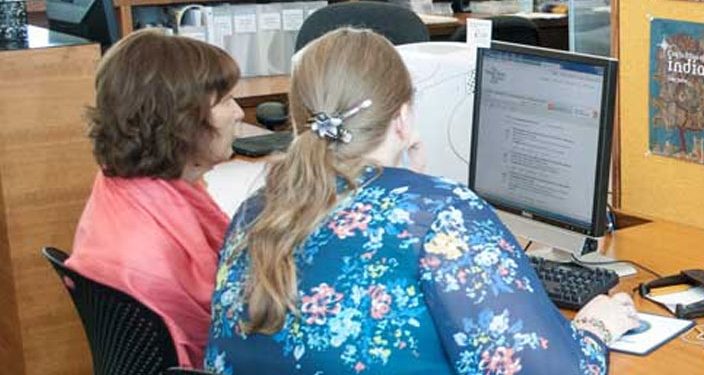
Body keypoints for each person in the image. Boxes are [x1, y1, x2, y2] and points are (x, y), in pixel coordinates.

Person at [205, 28, 639, 374]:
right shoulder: (439, 215)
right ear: (404, 117)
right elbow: (545, 369)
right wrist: (595, 328)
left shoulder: (256, 213)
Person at [66, 29, 244, 368]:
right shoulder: (151, 256)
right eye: (225, 100)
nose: (238, 113)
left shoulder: (121, 188)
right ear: (180, 119)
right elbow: (228, 334)